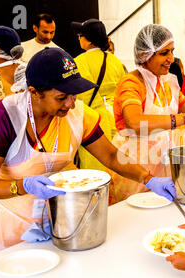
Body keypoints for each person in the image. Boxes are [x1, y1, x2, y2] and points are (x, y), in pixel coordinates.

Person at [0, 47, 176, 262]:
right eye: (61, 97)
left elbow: (111, 156)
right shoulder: (6, 116)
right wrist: (23, 186)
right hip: (5, 221)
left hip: (55, 218)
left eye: (74, 95)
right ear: (34, 92)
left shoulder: (76, 114)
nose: (70, 103)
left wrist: (148, 179)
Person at [110, 24, 185, 205]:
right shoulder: (132, 83)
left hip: (163, 162)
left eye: (172, 51)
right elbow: (135, 123)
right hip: (134, 165)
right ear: (146, 54)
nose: (171, 59)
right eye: (164, 53)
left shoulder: (168, 83)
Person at [70, 18, 126, 172]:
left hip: (93, 121)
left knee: (95, 169)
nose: (79, 38)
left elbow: (78, 98)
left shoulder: (78, 62)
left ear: (89, 41)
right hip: (116, 118)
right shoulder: (115, 60)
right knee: (116, 164)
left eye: (80, 35)